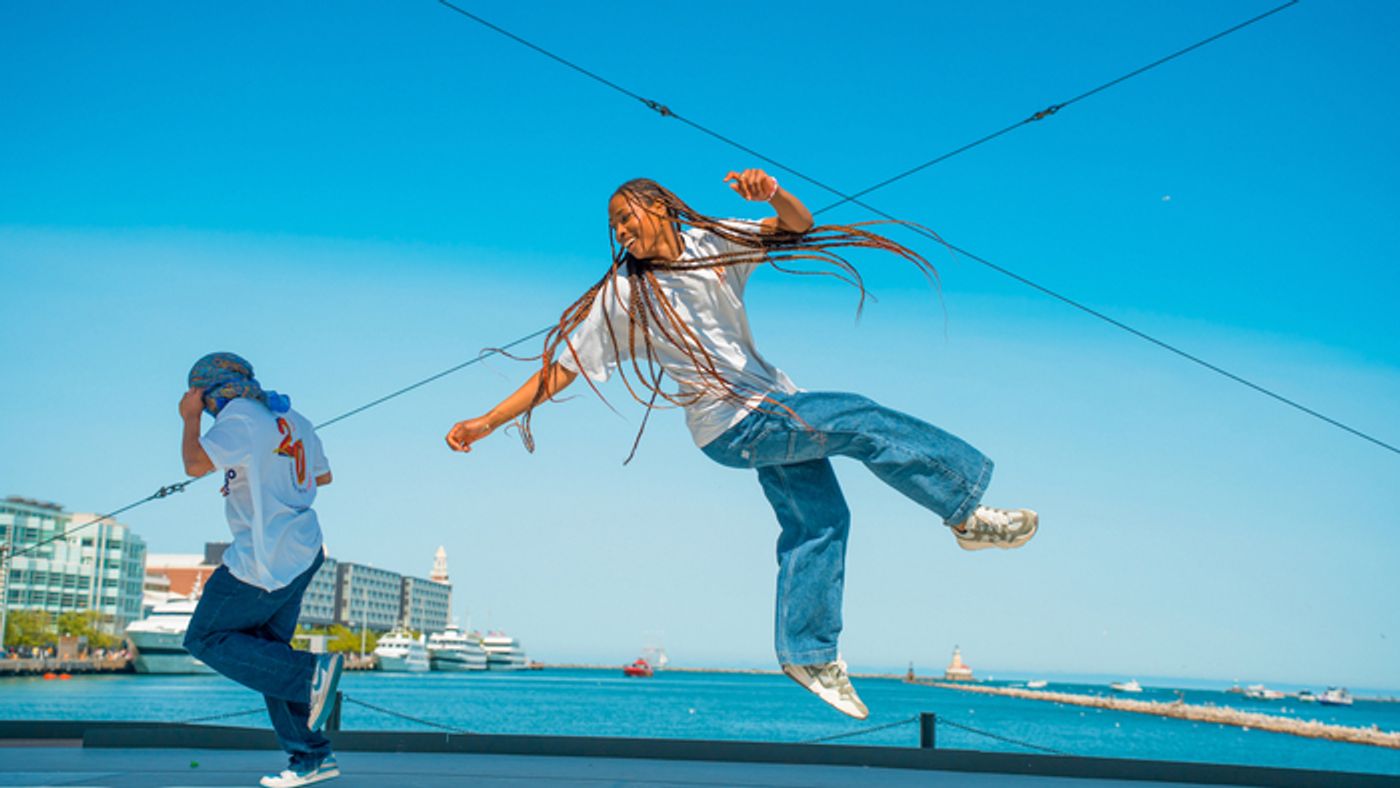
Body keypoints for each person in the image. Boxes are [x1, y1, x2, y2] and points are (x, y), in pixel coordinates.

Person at [445, 169, 1038, 720]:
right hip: (736, 425)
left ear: (661, 208)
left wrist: (772, 195)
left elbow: (797, 228)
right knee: (860, 418)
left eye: (628, 216)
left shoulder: (712, 244)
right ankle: (965, 513)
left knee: (823, 522)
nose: (621, 230)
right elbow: (560, 369)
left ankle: (809, 653)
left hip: (770, 406)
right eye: (613, 225)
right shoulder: (621, 297)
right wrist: (487, 422)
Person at [178, 352, 343, 787]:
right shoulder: (293, 419)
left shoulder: (240, 417)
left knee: (205, 637)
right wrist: (248, 472)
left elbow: (194, 464)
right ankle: (311, 756)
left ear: (207, 390)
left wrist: (189, 419)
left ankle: (312, 675)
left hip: (262, 559)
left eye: (200, 395)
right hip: (305, 550)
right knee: (266, 652)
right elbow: (322, 479)